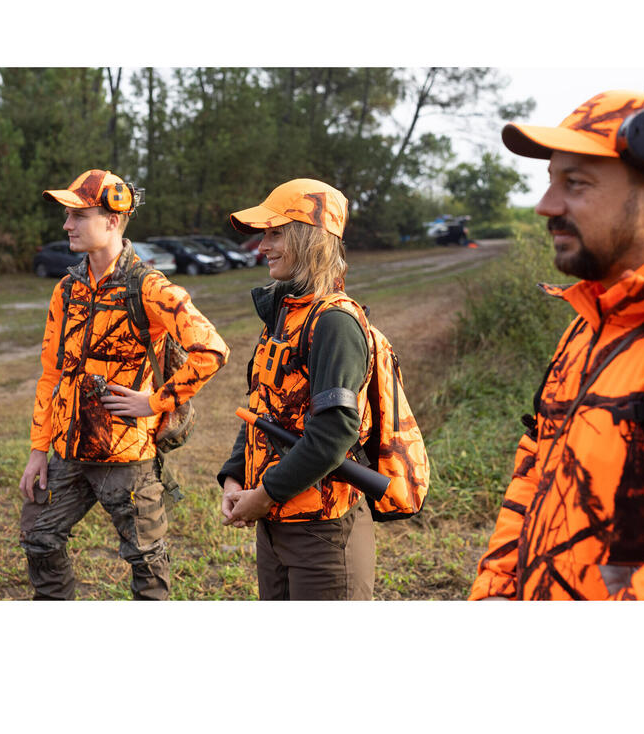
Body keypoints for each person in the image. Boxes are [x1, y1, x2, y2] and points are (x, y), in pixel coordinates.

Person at [469, 89, 644, 600]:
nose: (545, 206)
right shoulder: (591, 320)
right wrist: (494, 593)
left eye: (575, 184)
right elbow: (533, 477)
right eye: (551, 181)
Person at [19, 168, 229, 600]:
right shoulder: (67, 289)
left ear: (113, 220)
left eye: (78, 215)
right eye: (67, 215)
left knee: (146, 561)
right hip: (67, 451)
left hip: (126, 456)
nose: (66, 225)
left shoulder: (148, 287)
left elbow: (212, 349)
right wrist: (39, 449)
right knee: (38, 537)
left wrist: (156, 401)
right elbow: (52, 374)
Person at [217, 178, 376, 600]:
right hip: (276, 522)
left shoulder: (334, 323)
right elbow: (262, 411)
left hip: (322, 533)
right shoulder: (284, 318)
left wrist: (265, 494)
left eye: (275, 233)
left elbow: (334, 435)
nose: (262, 247)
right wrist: (235, 478)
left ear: (309, 238)